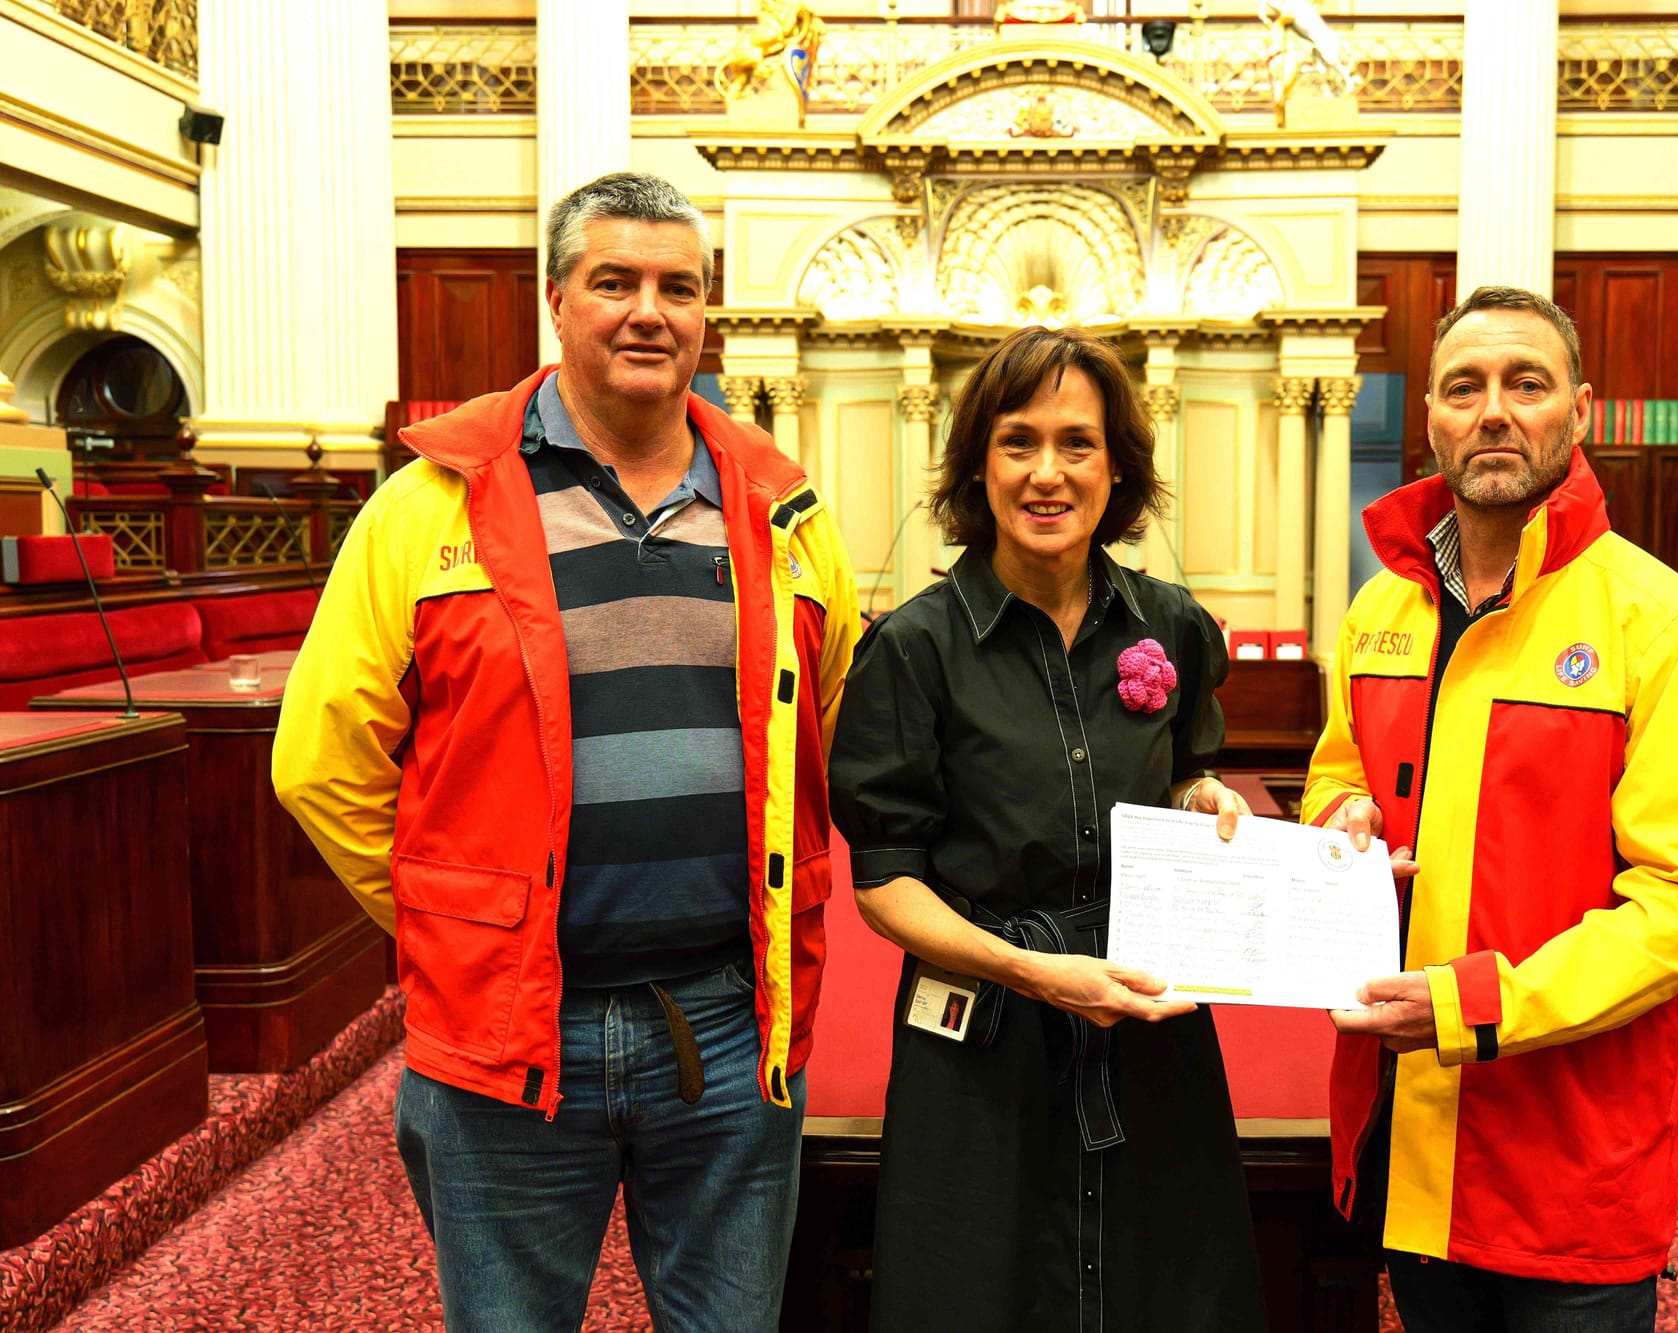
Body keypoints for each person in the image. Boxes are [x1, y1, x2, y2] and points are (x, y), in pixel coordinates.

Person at [272, 171, 860, 1332]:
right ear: (556, 301)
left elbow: (825, 725)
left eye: (677, 287)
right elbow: (321, 760)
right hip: (505, 1034)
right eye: (615, 282)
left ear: (705, 313)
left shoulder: (783, 509)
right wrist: (465, 921)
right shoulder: (426, 503)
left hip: (730, 1023)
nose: (649, 310)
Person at [1303, 285, 1678, 1332]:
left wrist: (1469, 1006)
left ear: (1579, 411)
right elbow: (1334, 776)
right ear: (1428, 420)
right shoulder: (1379, 611)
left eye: (1525, 383)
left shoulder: (1662, 624)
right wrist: (1344, 820)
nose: (1492, 411)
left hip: (1565, 1163)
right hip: (1399, 1131)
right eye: (1463, 387)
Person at [828, 325, 1265, 1332]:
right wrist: (1030, 973)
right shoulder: (911, 649)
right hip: (977, 1022)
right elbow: (884, 883)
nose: (1046, 472)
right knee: (975, 1288)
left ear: (1118, 466)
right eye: (1017, 440)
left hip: (1147, 1010)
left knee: (1167, 1286)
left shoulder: (1175, 627)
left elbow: (1186, 770)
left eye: (1077, 442)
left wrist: (1202, 798)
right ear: (977, 462)